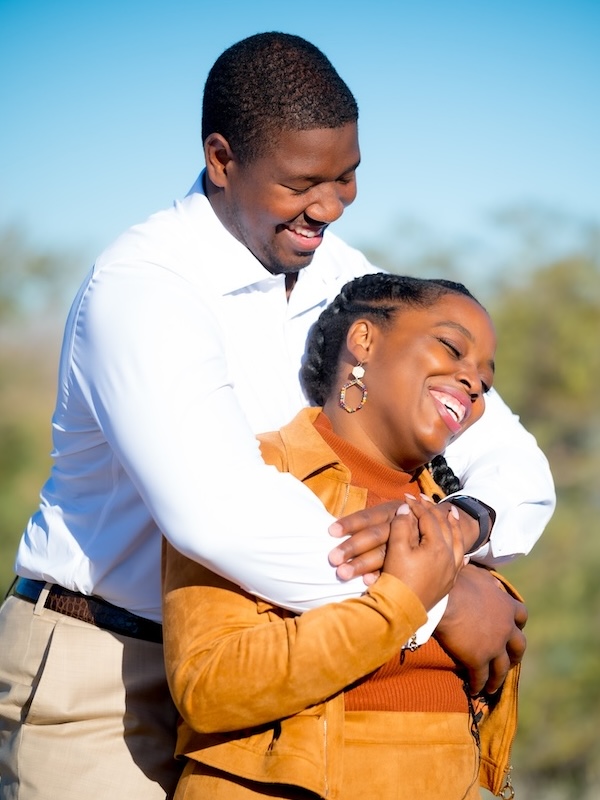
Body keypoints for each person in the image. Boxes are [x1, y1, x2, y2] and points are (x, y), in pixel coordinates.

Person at [0, 32, 553, 800]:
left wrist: (462, 525)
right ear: (222, 160)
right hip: (103, 676)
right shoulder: (145, 287)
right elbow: (222, 515)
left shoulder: (346, 277)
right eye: (302, 183)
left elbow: (513, 462)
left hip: (287, 671)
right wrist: (435, 598)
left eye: (348, 177)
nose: (327, 207)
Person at [162, 273, 516, 800]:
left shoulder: (452, 513)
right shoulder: (254, 472)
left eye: (485, 381)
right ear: (365, 340)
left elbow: (491, 656)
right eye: (451, 348)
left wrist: (473, 592)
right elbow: (209, 687)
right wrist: (403, 603)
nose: (474, 385)